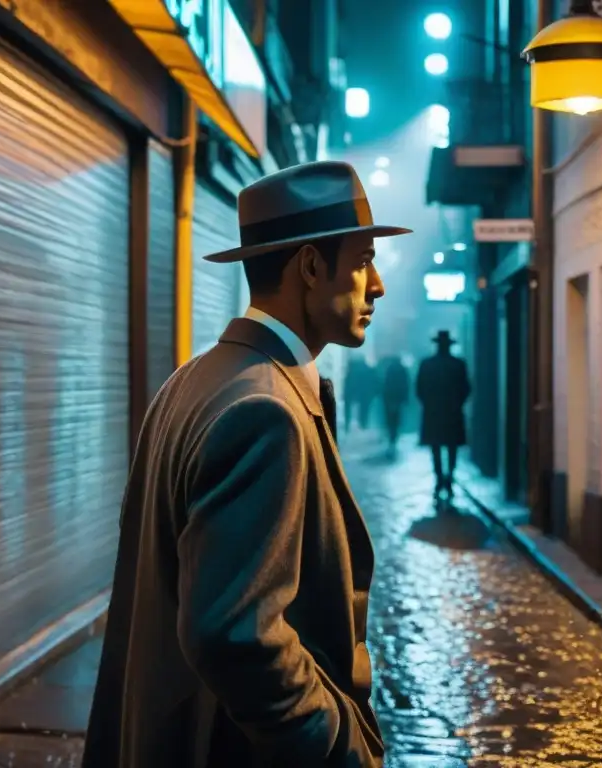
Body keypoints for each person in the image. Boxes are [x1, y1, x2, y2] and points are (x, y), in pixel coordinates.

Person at [82, 161, 411, 767]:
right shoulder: (266, 408)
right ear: (311, 267)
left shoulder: (193, 380)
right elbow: (236, 634)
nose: (378, 285)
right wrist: (339, 747)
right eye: (363, 259)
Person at [415, 330, 471, 497]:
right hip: (453, 413)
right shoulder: (459, 364)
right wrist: (457, 404)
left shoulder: (427, 364)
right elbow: (466, 388)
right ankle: (449, 478)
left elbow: (419, 388)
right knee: (452, 448)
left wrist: (428, 404)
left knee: (435, 447)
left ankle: (439, 479)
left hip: (433, 413)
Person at [380, 356, 410, 450]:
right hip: (398, 398)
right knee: (396, 418)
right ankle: (394, 436)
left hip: (389, 398)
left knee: (390, 418)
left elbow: (385, 384)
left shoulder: (389, 369)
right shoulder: (402, 369)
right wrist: (405, 398)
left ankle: (391, 435)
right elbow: (405, 384)